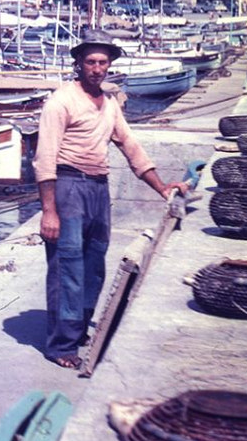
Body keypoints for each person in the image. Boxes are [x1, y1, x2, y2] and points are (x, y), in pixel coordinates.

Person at [34, 31, 191, 369]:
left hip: (98, 188)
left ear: (110, 65)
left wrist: (162, 187)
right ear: (79, 63)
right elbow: (44, 160)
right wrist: (49, 212)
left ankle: (78, 331)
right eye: (90, 61)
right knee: (68, 267)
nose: (96, 68)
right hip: (68, 187)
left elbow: (131, 146)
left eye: (102, 62)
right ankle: (61, 344)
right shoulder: (61, 101)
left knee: (94, 266)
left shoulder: (109, 105)